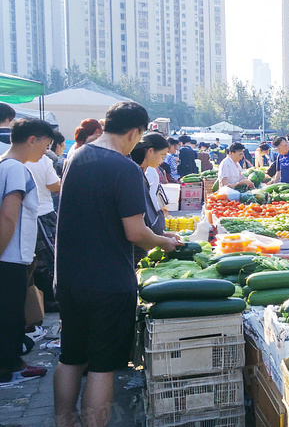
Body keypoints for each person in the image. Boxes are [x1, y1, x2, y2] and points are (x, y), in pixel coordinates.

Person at [53, 102, 179, 427]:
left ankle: (64, 421)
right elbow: (136, 232)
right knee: (101, 366)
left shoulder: (76, 156)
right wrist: (164, 241)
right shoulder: (124, 168)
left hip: (67, 278)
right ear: (135, 132)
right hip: (107, 283)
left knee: (70, 357)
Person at [0, 118, 54, 384]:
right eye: (45, 145)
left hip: (8, 255)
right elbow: (9, 217)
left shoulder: (3, 164)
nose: (45, 151)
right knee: (10, 315)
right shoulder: (16, 170)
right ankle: (11, 368)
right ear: (32, 139)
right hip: (9, 256)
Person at [26, 130, 62, 312]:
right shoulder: (43, 160)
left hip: (26, 216)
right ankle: (49, 299)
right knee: (48, 259)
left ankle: (41, 300)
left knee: (34, 260)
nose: (48, 149)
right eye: (46, 144)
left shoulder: (10, 159)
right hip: (43, 213)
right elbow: (54, 185)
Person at [129, 132, 178, 265]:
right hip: (132, 249)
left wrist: (161, 236)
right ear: (150, 151)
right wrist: (161, 240)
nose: (162, 161)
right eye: (162, 155)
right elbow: (136, 228)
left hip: (141, 245)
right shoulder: (133, 175)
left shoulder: (142, 172)